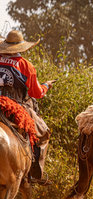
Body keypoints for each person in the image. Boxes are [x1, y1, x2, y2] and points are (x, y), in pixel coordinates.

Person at [0, 30, 55, 185]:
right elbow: (36, 93)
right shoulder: (26, 65)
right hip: (17, 106)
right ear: (21, 47)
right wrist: (45, 86)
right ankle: (35, 171)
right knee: (43, 132)